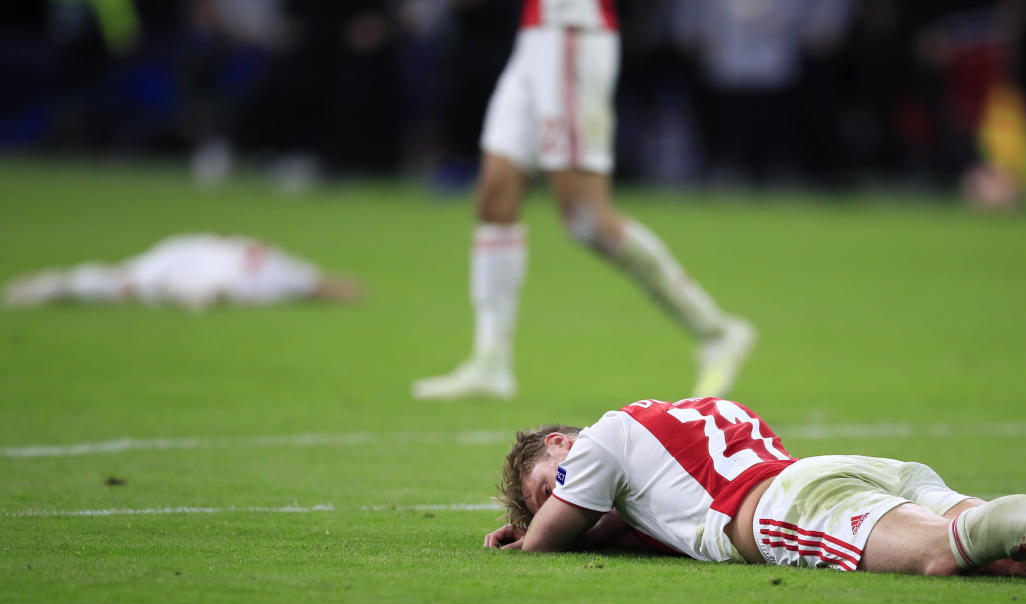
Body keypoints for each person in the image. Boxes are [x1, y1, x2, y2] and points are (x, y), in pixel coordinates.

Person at [484, 397, 1026, 591]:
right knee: (1001, 560)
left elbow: (553, 539)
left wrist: (522, 537)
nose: (560, 501)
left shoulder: (604, 440)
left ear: (560, 444)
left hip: (784, 506)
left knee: (938, 556)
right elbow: (616, 521)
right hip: (843, 471)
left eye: (551, 485)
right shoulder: (656, 431)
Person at [412, 0, 754, 401]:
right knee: (495, 196)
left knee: (587, 219)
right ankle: (490, 363)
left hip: (572, 28)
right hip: (536, 35)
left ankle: (716, 332)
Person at [3, 233, 359, 310]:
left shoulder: (277, 262)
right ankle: (55, 285)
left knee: (126, 281)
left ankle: (58, 283)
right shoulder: (286, 270)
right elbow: (328, 286)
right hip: (198, 261)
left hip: (187, 248)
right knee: (130, 285)